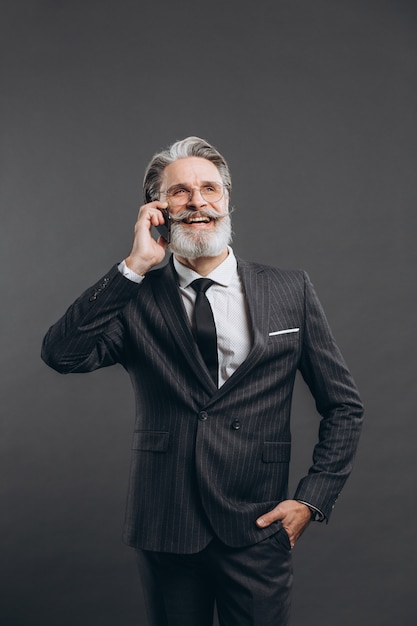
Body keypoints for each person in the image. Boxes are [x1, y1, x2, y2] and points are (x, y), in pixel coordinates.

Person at [41, 136, 364, 626]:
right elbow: (62, 355)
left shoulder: (289, 289)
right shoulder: (136, 297)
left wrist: (310, 499)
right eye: (179, 192)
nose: (197, 202)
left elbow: (344, 407)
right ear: (157, 208)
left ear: (228, 199)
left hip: (257, 527)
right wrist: (134, 266)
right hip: (166, 525)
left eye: (209, 189)